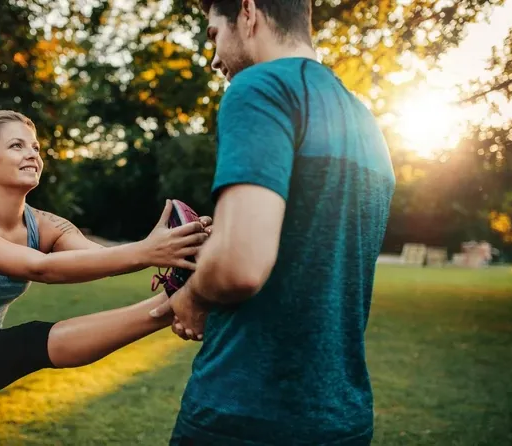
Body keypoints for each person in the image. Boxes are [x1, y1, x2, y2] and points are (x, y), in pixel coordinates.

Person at [149, 1, 396, 445]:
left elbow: (239, 266)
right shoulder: (365, 120)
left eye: (212, 34)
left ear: (248, 12)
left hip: (245, 413)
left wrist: (194, 294)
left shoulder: (258, 87)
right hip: (342, 419)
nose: (214, 57)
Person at [0, 109, 211, 445]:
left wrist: (179, 245)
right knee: (29, 341)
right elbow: (40, 268)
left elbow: (99, 259)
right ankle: (170, 306)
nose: (32, 154)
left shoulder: (44, 225)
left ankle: (175, 301)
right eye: (16, 146)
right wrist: (150, 251)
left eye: (36, 148)